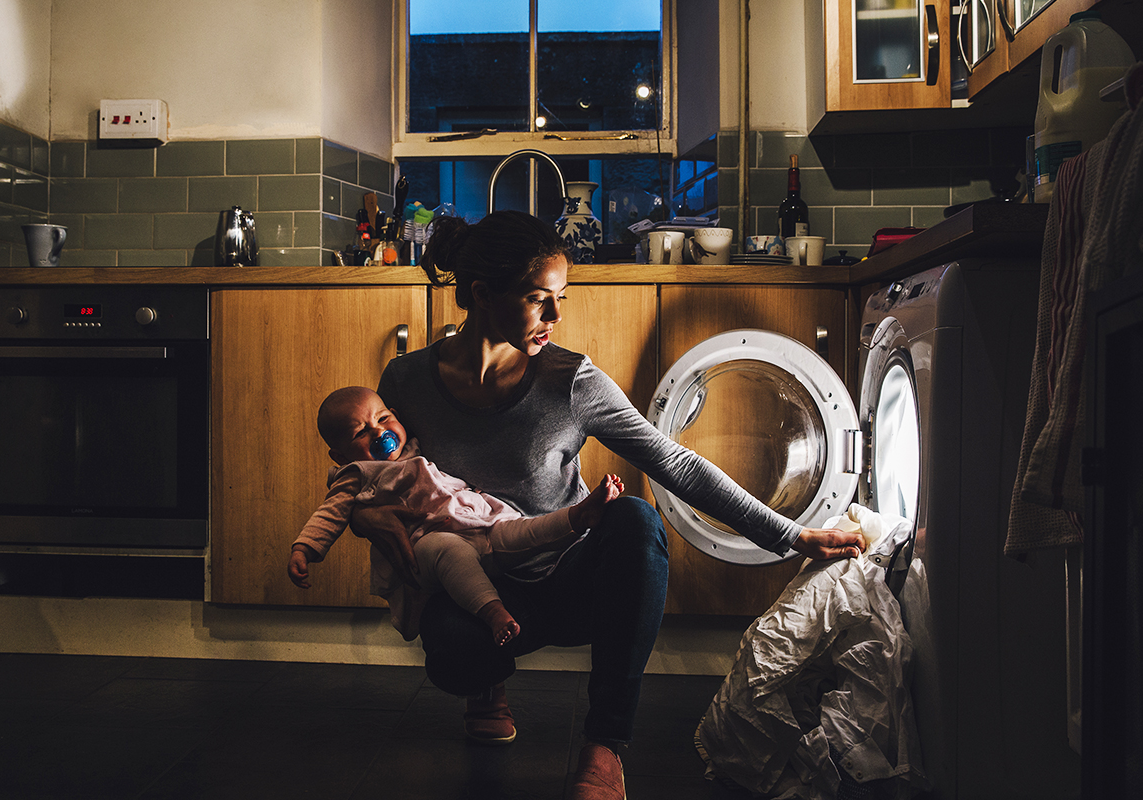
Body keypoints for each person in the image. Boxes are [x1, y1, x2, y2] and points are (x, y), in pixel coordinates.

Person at [353, 210, 865, 799]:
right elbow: (372, 473)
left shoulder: (571, 381)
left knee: (635, 520)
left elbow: (674, 463)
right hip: (478, 589)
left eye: (560, 299)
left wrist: (794, 536)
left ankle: (604, 747)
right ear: (481, 295)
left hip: (571, 580)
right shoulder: (407, 380)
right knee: (453, 658)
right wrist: (366, 513)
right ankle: (486, 683)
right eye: (538, 299)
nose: (556, 316)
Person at [287, 385, 625, 648]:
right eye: (361, 433)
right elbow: (330, 513)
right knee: (451, 552)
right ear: (339, 454)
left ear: (396, 415)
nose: (378, 433)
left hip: (476, 520)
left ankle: (578, 517)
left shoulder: (416, 447)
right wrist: (305, 549)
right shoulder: (356, 473)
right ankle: (493, 613)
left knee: (520, 530)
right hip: (427, 543)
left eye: (383, 419)